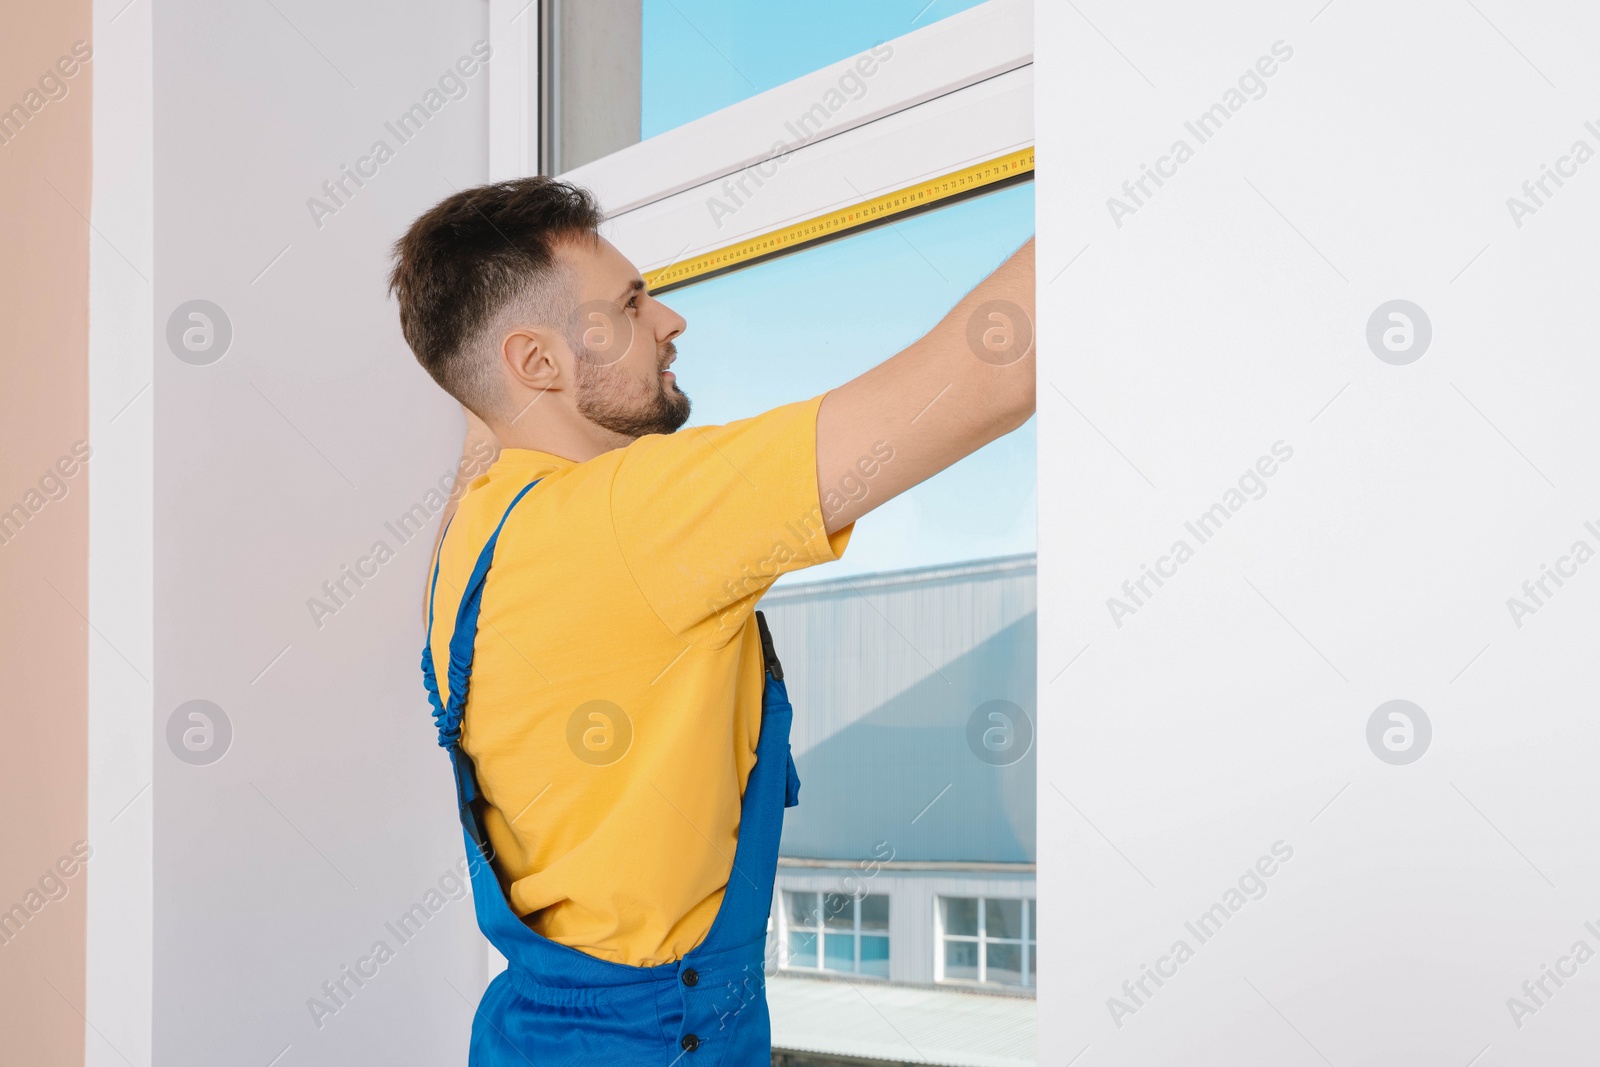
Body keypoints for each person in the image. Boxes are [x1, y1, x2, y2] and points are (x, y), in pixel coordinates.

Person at [390, 176, 1034, 1063]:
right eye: (629, 304)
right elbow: (995, 369)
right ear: (536, 363)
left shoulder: (473, 535)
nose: (670, 322)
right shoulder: (631, 520)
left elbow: (487, 419)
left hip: (529, 1034)